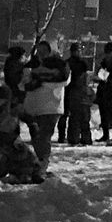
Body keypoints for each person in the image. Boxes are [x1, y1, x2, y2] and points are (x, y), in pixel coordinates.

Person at [22, 40, 69, 172]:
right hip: (34, 106)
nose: (41, 53)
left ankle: (42, 163)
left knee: (44, 136)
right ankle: (39, 161)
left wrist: (42, 82)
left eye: (44, 50)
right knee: (36, 137)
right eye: (39, 50)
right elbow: (24, 80)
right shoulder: (33, 64)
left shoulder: (59, 64)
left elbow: (64, 80)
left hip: (51, 106)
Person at [63, 43, 93, 147]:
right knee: (81, 116)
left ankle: (73, 138)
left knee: (73, 116)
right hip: (78, 92)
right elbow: (85, 78)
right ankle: (83, 138)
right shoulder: (82, 63)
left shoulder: (68, 62)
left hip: (71, 91)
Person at [95, 42, 112, 143]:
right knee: (103, 114)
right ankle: (105, 134)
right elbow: (100, 72)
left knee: (111, 114)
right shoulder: (105, 62)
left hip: (110, 90)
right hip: (103, 90)